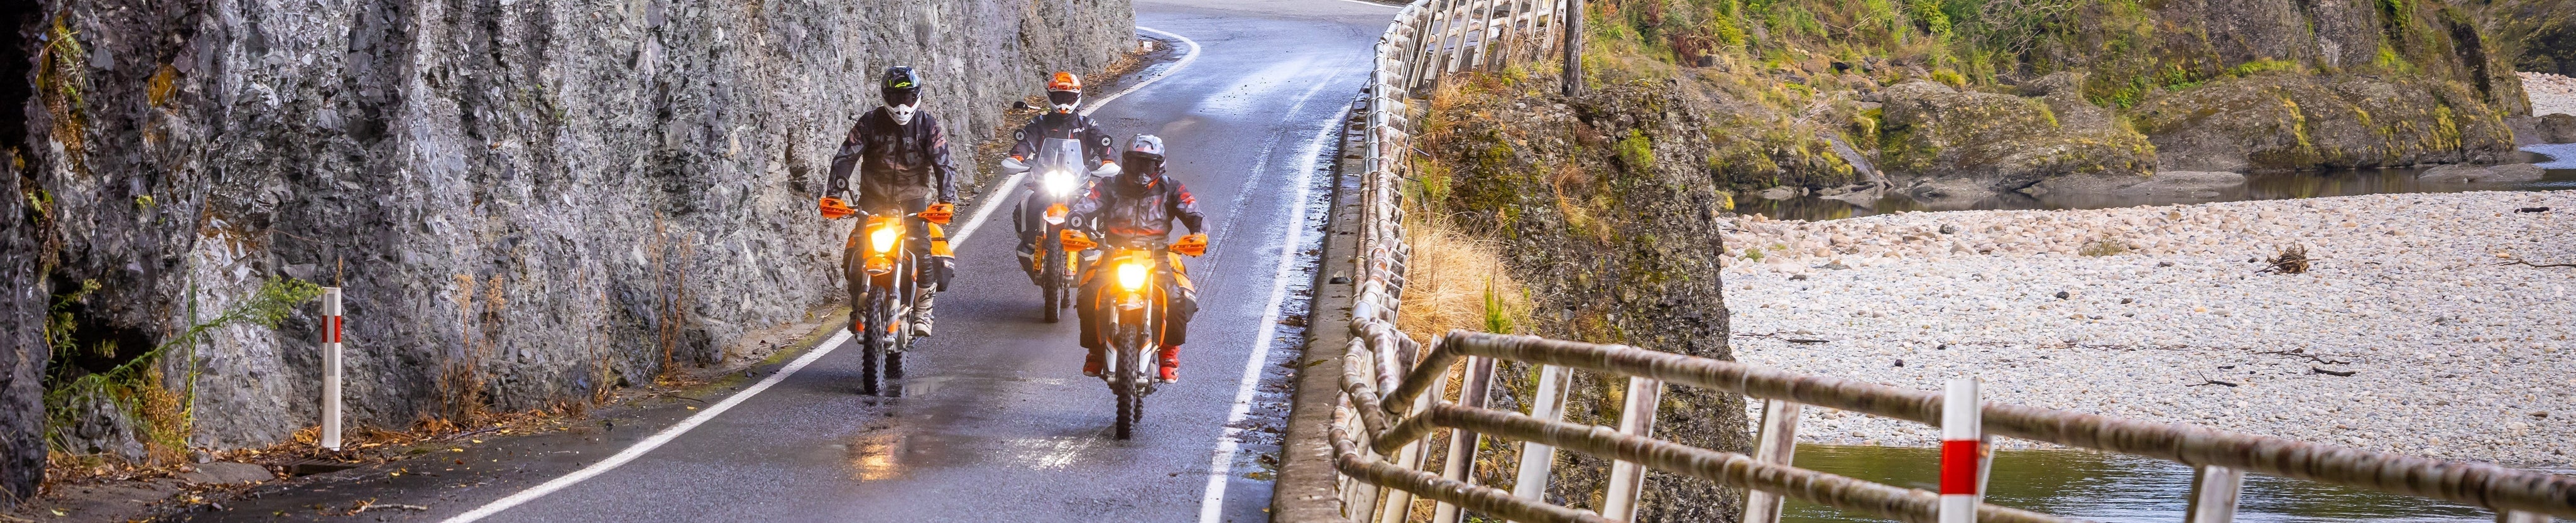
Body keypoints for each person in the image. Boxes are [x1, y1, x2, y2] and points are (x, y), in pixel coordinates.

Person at [828, 66, 958, 337]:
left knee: (923, 252)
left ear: (918, 96)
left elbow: (943, 164)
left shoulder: (927, 126)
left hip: (912, 203)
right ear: (885, 97)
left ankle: (923, 311)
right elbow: (846, 157)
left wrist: (946, 200)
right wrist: (834, 194)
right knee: (855, 254)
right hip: (873, 202)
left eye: (908, 98)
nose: (902, 105)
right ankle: (857, 306)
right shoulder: (869, 122)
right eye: (896, 98)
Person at [1070, 134, 1207, 383]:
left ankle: (1169, 353)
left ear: (1160, 165)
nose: (1142, 170)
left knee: (1178, 300)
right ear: (1126, 162)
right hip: (1114, 255)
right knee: (1088, 296)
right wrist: (1074, 223)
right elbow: (1086, 205)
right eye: (1136, 163)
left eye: (1149, 164)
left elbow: (1194, 212)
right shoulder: (1109, 185)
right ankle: (1096, 351)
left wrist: (1199, 234)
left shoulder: (1172, 188)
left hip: (1157, 257)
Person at [1008, 72, 1120, 281]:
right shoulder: (1039, 122)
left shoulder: (1087, 124)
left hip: (1078, 181)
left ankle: (1099, 240)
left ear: (1076, 98)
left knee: (1102, 205)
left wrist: (1108, 159)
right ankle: (1030, 241)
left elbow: (1103, 142)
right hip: (1046, 179)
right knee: (1026, 203)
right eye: (1059, 97)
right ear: (1051, 97)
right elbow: (1027, 141)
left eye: (1068, 97)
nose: (1063, 102)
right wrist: (1018, 156)